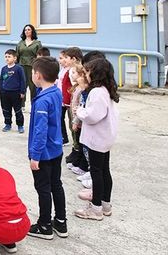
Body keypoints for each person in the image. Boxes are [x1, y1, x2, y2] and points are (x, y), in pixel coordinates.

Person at [27, 56, 67, 240]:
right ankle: (60, 221)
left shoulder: (43, 101)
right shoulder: (55, 92)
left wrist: (35, 156)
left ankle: (45, 225)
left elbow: (40, 131)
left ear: (39, 75)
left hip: (43, 153)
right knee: (56, 185)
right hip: (56, 149)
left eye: (34, 73)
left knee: (43, 188)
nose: (32, 76)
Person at [73, 58, 119, 221]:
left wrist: (80, 111)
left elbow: (93, 116)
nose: (85, 75)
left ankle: (96, 208)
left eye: (87, 72)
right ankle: (105, 205)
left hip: (97, 138)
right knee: (104, 170)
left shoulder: (97, 92)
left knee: (97, 173)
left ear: (96, 73)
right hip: (104, 137)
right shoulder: (105, 89)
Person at [61, 47, 86, 172]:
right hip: (70, 103)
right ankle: (76, 150)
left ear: (74, 59)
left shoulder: (76, 72)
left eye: (66, 58)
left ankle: (78, 151)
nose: (64, 60)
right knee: (73, 128)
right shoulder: (68, 70)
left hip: (75, 107)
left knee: (76, 129)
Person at [0, 49, 26, 133]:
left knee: (17, 110)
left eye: (9, 57)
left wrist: (22, 91)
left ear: (15, 58)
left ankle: (20, 125)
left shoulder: (19, 68)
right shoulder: (4, 69)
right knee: (6, 109)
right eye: (6, 57)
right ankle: (8, 124)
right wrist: (1, 90)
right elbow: (1, 80)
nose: (7, 58)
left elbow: (23, 80)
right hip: (5, 93)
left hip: (16, 93)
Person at [16, 24, 42, 109]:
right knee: (22, 85)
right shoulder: (20, 43)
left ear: (32, 31)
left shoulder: (37, 43)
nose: (27, 31)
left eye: (29, 29)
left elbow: (40, 55)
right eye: (25, 30)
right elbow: (17, 55)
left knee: (33, 86)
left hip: (32, 66)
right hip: (21, 66)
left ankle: (33, 104)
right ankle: (21, 104)